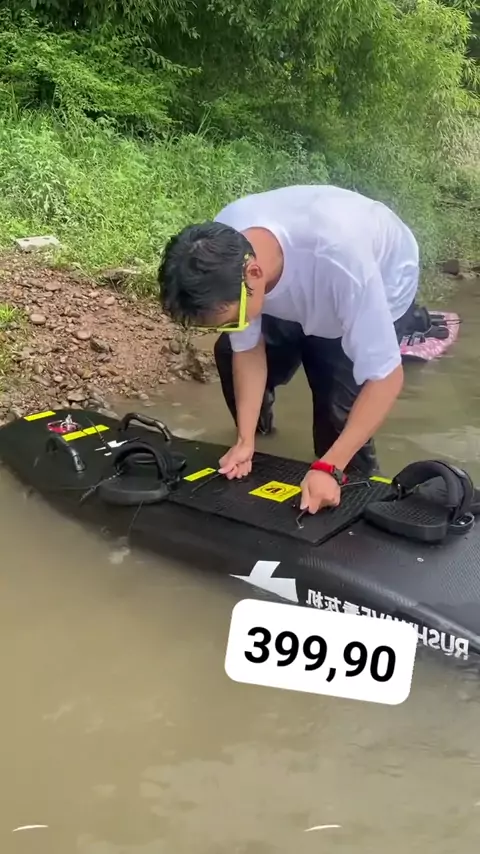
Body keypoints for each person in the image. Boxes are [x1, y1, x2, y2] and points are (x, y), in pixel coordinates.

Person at [157, 184, 420, 514]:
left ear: (254, 275)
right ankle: (260, 437)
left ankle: (352, 489)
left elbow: (386, 378)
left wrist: (329, 467)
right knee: (228, 351)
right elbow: (247, 350)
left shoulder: (344, 263)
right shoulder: (222, 249)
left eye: (231, 320)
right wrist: (245, 440)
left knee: (337, 417)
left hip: (378, 282)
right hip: (300, 285)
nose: (231, 327)